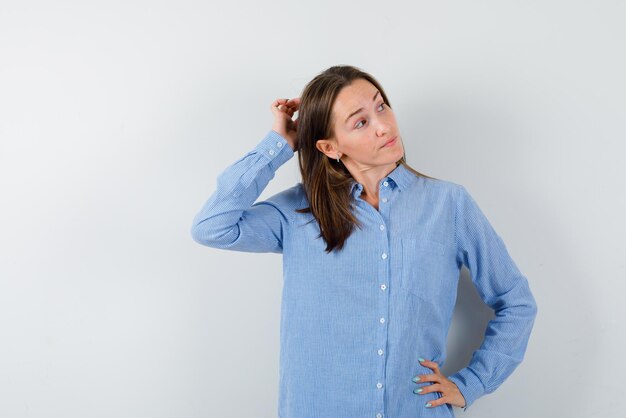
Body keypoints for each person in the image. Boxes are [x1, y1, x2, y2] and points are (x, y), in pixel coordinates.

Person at [190, 65, 538, 418]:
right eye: (361, 122)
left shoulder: (449, 205)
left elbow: (517, 301)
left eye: (381, 106)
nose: (384, 126)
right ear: (329, 147)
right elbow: (212, 226)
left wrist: (471, 385)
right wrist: (279, 146)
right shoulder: (297, 213)